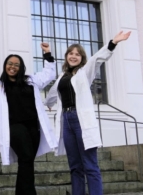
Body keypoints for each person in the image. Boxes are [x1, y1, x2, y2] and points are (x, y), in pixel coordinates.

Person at [45, 31, 132, 195]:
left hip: (80, 120)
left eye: (77, 54)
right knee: (75, 166)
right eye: (71, 53)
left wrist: (113, 42)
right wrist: (48, 104)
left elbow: (98, 58)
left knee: (90, 165)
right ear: (66, 57)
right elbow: (52, 94)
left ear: (82, 58)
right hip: (66, 120)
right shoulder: (62, 76)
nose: (73, 56)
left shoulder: (85, 72)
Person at [0, 43, 58, 195]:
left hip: (33, 127)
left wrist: (47, 54)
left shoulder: (30, 80)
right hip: (14, 127)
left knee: (27, 161)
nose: (12, 67)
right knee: (26, 157)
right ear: (5, 66)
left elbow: (49, 75)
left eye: (16, 65)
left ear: (21, 67)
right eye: (9, 64)